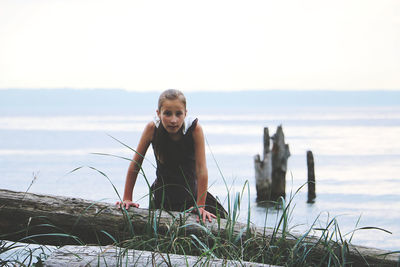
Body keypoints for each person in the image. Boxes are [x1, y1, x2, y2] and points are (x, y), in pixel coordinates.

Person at [116, 89, 226, 223]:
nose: (173, 120)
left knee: (222, 224)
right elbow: (135, 165)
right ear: (158, 113)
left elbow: (201, 170)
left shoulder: (195, 130)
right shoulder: (152, 129)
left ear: (185, 114)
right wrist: (127, 198)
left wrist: (201, 205)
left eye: (178, 114)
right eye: (167, 114)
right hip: (163, 200)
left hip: (193, 198)